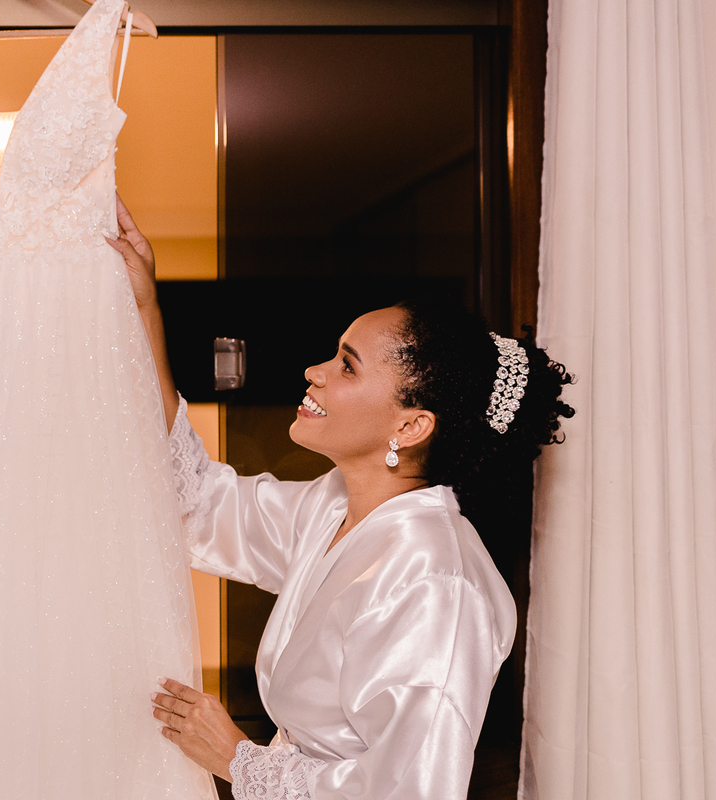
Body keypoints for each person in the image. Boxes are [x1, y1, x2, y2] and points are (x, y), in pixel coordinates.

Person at [107, 198, 574, 799]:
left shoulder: (437, 584)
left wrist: (239, 760)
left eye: (346, 367)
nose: (314, 371)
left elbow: (411, 792)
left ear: (410, 427)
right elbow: (196, 502)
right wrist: (144, 308)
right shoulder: (332, 509)